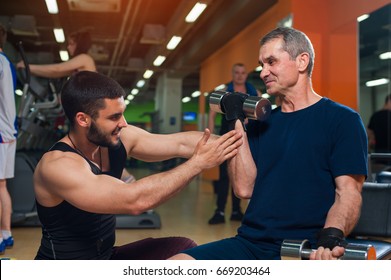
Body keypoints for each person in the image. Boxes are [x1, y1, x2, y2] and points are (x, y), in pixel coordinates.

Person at [170, 27, 367, 260]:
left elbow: (348, 192)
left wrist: (331, 238)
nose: (263, 72)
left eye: (271, 62)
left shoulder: (342, 120)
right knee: (176, 264)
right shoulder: (261, 124)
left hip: (305, 248)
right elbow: (244, 189)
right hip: (250, 243)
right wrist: (236, 119)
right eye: (261, 65)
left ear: (302, 61)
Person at [32, 70, 243, 260]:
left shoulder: (119, 137)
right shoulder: (58, 165)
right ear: (83, 119)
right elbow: (136, 201)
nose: (123, 123)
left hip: (106, 258)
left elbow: (180, 143)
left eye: (122, 113)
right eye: (114, 117)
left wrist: (244, 144)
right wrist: (197, 164)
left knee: (183, 250)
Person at [207, 63, 258, 224]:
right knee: (225, 176)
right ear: (233, 74)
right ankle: (220, 211)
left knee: (242, 174)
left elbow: (262, 114)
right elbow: (212, 113)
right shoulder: (224, 92)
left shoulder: (254, 93)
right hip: (227, 137)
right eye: (237, 72)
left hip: (247, 140)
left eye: (243, 72)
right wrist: (210, 134)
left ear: (246, 75)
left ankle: (237, 211)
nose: (240, 75)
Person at [0, 23, 17, 254]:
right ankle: (6, 233)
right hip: (7, 133)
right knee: (2, 186)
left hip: (1, 134)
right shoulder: (6, 62)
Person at [16, 30, 95, 77]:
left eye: (71, 44)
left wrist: (28, 66)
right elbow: (55, 74)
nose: (68, 47)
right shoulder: (79, 64)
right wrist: (29, 69)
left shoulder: (84, 58)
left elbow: (57, 69)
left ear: (79, 45)